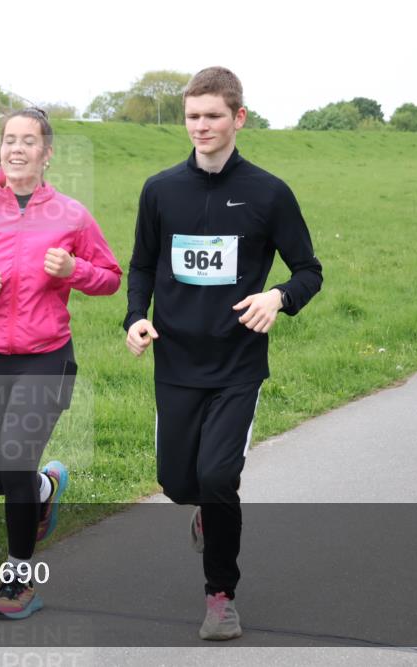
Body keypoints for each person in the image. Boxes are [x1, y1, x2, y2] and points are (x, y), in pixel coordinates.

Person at [123, 67, 323, 640]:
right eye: (192, 116)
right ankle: (204, 510)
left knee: (218, 476)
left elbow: (309, 270)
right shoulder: (161, 190)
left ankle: (219, 596)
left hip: (237, 364)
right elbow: (141, 265)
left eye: (213, 116)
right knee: (179, 484)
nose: (201, 126)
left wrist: (279, 297)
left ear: (238, 118)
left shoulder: (268, 192)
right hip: (176, 362)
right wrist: (136, 316)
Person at [0, 106, 121, 620]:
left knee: (14, 465)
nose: (17, 149)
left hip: (46, 359)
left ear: (47, 153)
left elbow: (109, 277)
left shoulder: (72, 215)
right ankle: (46, 487)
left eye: (29, 141)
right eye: (9, 140)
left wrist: (74, 268)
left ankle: (17, 580)